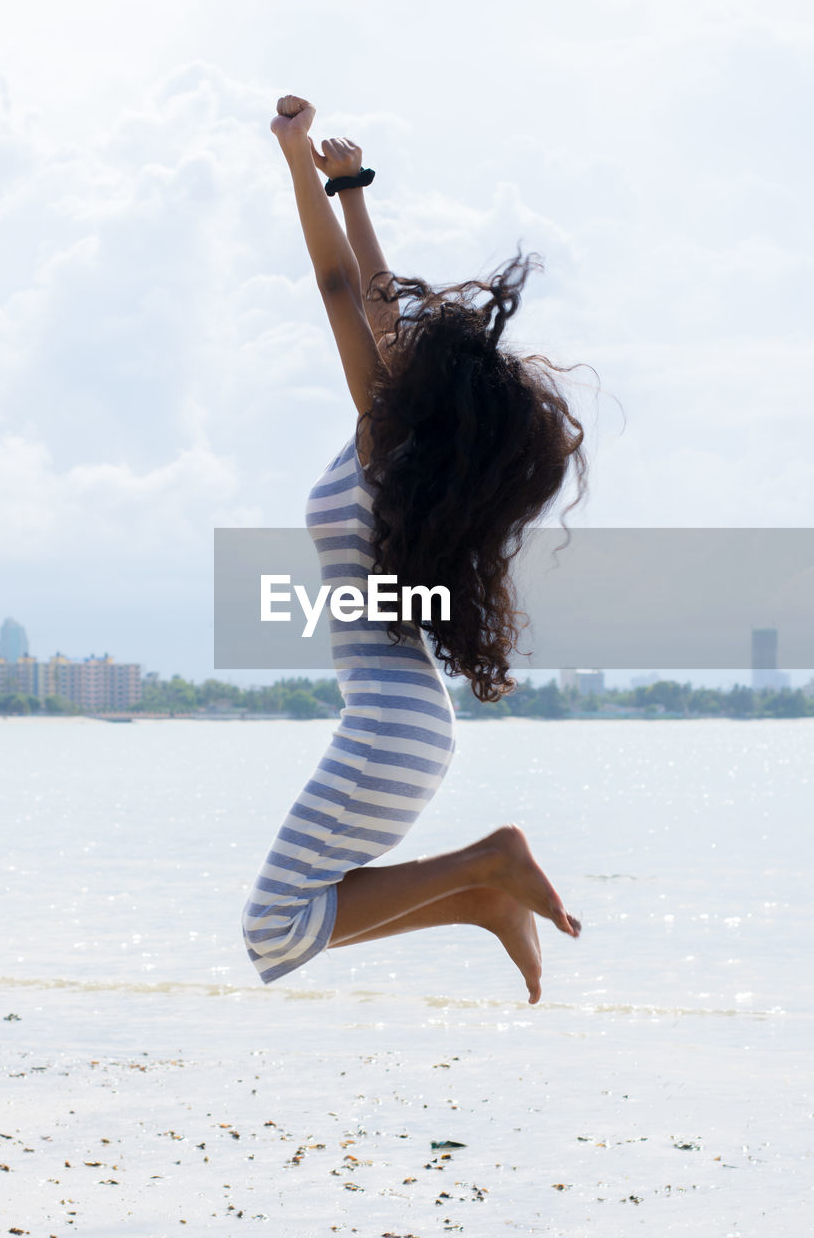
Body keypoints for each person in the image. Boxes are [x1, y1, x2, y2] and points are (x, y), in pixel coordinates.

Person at [241, 95, 586, 1004]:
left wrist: (295, 163)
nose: (391, 339)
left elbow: (342, 292)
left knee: (272, 930)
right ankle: (481, 898)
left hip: (393, 723)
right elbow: (376, 303)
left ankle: (490, 864)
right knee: (284, 926)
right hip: (401, 720)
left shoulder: (387, 443)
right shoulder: (408, 453)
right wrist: (348, 189)